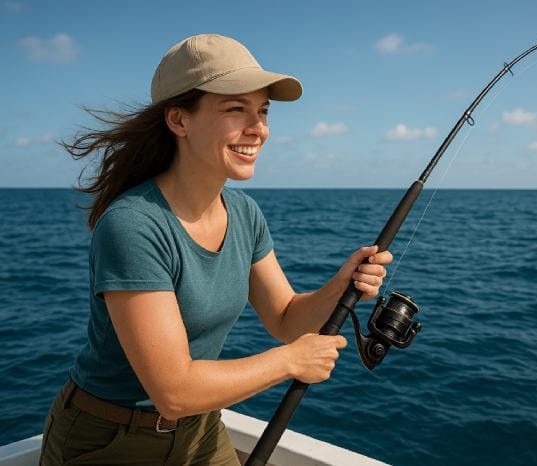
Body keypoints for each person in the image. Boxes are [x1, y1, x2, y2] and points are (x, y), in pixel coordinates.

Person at [39, 33, 392, 465]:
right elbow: (173, 390)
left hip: (199, 427)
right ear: (178, 120)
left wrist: (340, 286)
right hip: (110, 438)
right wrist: (290, 362)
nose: (258, 128)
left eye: (262, 111)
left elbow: (285, 319)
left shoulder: (245, 214)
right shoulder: (133, 224)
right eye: (235, 109)